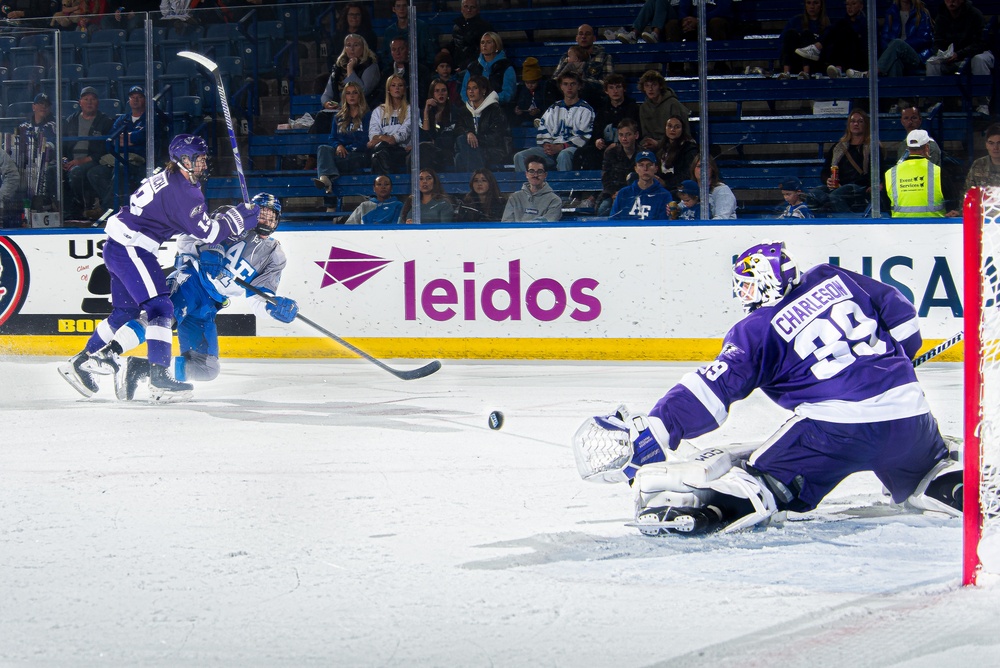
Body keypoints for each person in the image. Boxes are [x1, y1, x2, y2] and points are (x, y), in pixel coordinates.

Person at [572, 240, 962, 535]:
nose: (742, 293)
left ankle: (710, 510)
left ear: (762, 283)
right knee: (927, 468)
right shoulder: (835, 276)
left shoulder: (757, 329)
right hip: (911, 416)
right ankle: (948, 484)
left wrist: (658, 428)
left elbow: (710, 391)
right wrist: (898, 360)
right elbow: (901, 312)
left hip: (833, 432)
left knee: (762, 480)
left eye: (745, 284)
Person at [57, 134, 261, 401]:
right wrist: (238, 219)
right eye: (198, 159)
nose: (203, 164)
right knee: (161, 307)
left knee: (125, 312)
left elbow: (187, 221)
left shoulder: (174, 180)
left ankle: (81, 362)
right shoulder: (185, 192)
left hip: (119, 246)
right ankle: (159, 378)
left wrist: (232, 218)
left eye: (203, 159)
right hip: (132, 249)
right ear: (183, 160)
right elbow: (209, 234)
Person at [110, 193, 296, 400]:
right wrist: (209, 248)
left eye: (272, 217)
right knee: (160, 320)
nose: (266, 221)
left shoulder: (274, 255)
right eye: (262, 215)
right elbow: (186, 238)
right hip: (191, 280)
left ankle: (141, 367)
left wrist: (272, 306)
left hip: (210, 305)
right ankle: (109, 353)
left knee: (205, 368)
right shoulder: (231, 218)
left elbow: (259, 297)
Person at [89, 86, 168, 216]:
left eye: (139, 97)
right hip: (120, 158)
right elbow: (113, 139)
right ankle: (117, 205)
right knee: (94, 172)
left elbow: (142, 137)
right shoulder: (122, 119)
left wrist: (127, 139)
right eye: (132, 97)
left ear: (145, 100)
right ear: (128, 100)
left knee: (120, 170)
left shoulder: (151, 118)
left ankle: (108, 209)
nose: (135, 100)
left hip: (141, 162)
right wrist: (130, 138)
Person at [513, 71, 594, 173]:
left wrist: (561, 146)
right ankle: (527, 188)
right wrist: (547, 144)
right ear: (561, 87)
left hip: (573, 150)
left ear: (579, 86)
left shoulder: (586, 109)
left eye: (572, 84)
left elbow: (583, 136)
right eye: (565, 84)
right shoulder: (554, 108)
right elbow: (544, 128)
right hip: (551, 149)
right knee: (520, 156)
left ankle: (564, 188)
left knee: (564, 155)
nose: (569, 87)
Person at [807, 109, 882, 214]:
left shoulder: (872, 147)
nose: (856, 124)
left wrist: (873, 185)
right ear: (848, 124)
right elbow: (825, 171)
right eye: (852, 121)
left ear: (866, 124)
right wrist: (828, 180)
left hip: (858, 187)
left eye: (860, 121)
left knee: (836, 196)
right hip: (838, 186)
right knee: (814, 194)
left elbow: (879, 169)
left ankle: (848, 223)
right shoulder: (838, 147)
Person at [925, 0, 991, 117]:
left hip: (974, 54)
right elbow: (937, 42)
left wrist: (959, 54)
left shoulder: (975, 14)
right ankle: (934, 104)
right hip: (951, 58)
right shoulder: (941, 16)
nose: (952, 2)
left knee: (979, 60)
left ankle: (983, 104)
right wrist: (942, 54)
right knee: (931, 63)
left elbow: (981, 44)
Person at [313, 82, 371, 207]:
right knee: (322, 148)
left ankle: (327, 183)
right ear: (344, 96)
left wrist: (347, 148)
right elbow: (332, 138)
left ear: (360, 95)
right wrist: (338, 146)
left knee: (333, 161)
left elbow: (366, 139)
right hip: (340, 154)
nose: (352, 96)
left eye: (355, 93)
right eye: (348, 93)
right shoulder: (338, 116)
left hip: (358, 154)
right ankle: (325, 177)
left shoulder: (367, 115)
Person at [62, 86, 114, 221]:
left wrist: (80, 161)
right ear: (80, 102)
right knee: (51, 171)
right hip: (71, 160)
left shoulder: (105, 121)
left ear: (98, 102)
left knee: (76, 172)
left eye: (93, 99)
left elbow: (104, 150)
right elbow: (62, 145)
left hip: (92, 161)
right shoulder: (70, 120)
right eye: (86, 99)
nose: (89, 102)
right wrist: (63, 159)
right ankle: (62, 210)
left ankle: (81, 207)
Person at [574, 74, 640, 170]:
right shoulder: (601, 108)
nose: (615, 91)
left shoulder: (633, 108)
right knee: (580, 153)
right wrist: (597, 140)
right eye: (611, 88)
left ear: (624, 89)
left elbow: (637, 133)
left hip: (626, 147)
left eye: (618, 87)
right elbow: (596, 132)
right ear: (606, 91)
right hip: (604, 147)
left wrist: (618, 144)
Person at [453, 76, 512, 172]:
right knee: (460, 155)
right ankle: (477, 180)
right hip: (473, 149)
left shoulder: (495, 110)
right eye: (468, 88)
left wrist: (475, 138)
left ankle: (476, 181)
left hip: (495, 149)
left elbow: (496, 137)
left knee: (462, 155)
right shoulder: (464, 111)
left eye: (475, 88)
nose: (471, 91)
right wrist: (469, 133)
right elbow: (458, 129)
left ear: (483, 90)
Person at [549, 24, 614, 104]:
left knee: (584, 86)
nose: (583, 36)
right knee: (549, 84)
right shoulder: (567, 56)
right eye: (581, 34)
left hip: (592, 93)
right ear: (576, 38)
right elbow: (556, 78)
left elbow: (608, 82)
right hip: (568, 92)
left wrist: (582, 81)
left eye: (587, 34)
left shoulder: (604, 57)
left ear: (594, 38)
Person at [886, 129, 945, 217]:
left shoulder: (890, 173)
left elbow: (887, 203)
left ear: (907, 149)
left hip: (900, 226)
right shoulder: (938, 171)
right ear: (927, 148)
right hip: (934, 225)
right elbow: (951, 199)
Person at [872, 0, 934, 78]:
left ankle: (872, 73)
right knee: (895, 63)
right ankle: (894, 89)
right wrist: (895, 48)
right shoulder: (891, 13)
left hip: (916, 56)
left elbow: (924, 38)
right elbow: (884, 39)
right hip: (895, 54)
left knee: (897, 43)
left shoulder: (922, 13)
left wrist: (902, 45)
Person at [321, 34, 381, 114]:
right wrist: (326, 103)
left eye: (356, 45)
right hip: (338, 109)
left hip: (361, 110)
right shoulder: (339, 67)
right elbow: (327, 94)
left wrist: (350, 69)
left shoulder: (370, 66)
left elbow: (363, 92)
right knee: (321, 116)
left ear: (363, 48)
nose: (352, 49)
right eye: (348, 45)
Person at [368, 74, 413, 175]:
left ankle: (387, 183)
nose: (397, 88)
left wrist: (390, 139)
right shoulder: (378, 111)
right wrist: (386, 139)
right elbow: (373, 134)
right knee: (379, 152)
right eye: (393, 85)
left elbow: (405, 131)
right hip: (384, 149)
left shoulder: (411, 110)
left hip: (403, 150)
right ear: (388, 89)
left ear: (404, 89)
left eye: (400, 85)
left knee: (380, 151)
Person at [18, 93, 57, 210]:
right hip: (26, 164)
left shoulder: (53, 126)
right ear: (33, 107)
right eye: (40, 104)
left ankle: (45, 205)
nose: (43, 107)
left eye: (46, 105)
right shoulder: (23, 126)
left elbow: (50, 147)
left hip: (46, 164)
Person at [610, 150, 672, 221]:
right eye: (641, 165)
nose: (645, 169)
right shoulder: (624, 193)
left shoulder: (664, 195)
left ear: (656, 169)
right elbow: (613, 221)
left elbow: (663, 224)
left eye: (649, 165)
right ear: (636, 169)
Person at [460, 32, 516, 108]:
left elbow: (508, 93)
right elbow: (464, 90)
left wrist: (487, 101)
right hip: (474, 110)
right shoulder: (472, 67)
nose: (484, 45)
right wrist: (472, 103)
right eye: (482, 42)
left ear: (497, 46)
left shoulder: (506, 67)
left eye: (489, 42)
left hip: (499, 110)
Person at [637, 70, 690, 151]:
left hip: (673, 146)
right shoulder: (643, 107)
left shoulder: (673, 104)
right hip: (652, 146)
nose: (650, 89)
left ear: (660, 86)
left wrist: (659, 143)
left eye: (654, 85)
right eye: (647, 85)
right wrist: (648, 142)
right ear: (643, 88)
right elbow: (645, 133)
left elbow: (681, 135)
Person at [380, 0, 438, 72]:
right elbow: (385, 55)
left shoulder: (422, 27)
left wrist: (424, 69)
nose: (401, 9)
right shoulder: (389, 31)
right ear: (393, 9)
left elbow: (430, 53)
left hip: (419, 70)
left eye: (404, 5)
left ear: (410, 8)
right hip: (395, 72)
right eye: (398, 6)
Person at [597, 118, 640, 217]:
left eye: (628, 135)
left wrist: (626, 194)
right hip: (613, 193)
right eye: (621, 135)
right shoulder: (611, 152)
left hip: (637, 194)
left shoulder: (642, 154)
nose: (624, 139)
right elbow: (606, 178)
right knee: (603, 209)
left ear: (636, 135)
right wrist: (613, 193)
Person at [778, 0, 831, 79]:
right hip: (795, 61)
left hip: (815, 62)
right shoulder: (795, 21)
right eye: (808, 3)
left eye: (815, 3)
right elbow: (783, 43)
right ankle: (786, 73)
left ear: (821, 6)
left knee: (807, 34)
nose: (812, 6)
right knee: (790, 34)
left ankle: (806, 72)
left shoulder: (827, 24)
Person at [502, 158, 562, 222]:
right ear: (526, 174)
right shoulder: (514, 197)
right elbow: (506, 222)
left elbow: (549, 222)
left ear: (545, 175)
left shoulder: (554, 200)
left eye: (540, 172)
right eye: (531, 171)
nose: (535, 175)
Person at [377, 37, 431, 108]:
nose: (397, 53)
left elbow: (422, 95)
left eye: (401, 49)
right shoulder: (386, 72)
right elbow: (382, 95)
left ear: (408, 50)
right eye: (394, 49)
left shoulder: (420, 71)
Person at [418, 80, 457, 174]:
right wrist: (426, 112)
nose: (441, 93)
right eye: (437, 91)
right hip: (431, 152)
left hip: (448, 152)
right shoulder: (424, 113)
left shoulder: (455, 111)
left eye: (444, 90)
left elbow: (453, 136)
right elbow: (424, 137)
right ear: (432, 94)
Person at [823, 0, 869, 78]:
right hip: (846, 58)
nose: (849, 7)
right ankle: (838, 68)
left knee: (845, 31)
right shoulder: (842, 23)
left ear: (861, 6)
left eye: (853, 4)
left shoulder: (866, 23)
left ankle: (839, 68)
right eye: (847, 4)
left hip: (860, 59)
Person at [445, 0, 493, 74]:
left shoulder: (485, 27)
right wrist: (445, 49)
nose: (468, 10)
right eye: (466, 6)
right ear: (461, 9)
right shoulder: (457, 26)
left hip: (475, 66)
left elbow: (482, 52)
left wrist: (464, 66)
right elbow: (455, 42)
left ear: (477, 10)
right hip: (457, 65)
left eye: (472, 7)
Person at [655, 114, 698, 193]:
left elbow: (688, 173)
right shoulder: (660, 147)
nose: (672, 129)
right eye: (669, 126)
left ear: (682, 129)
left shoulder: (689, 148)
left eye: (677, 127)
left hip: (680, 190)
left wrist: (666, 183)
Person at [611, 0, 680, 45]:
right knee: (650, 1)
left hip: (676, 12)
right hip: (660, 10)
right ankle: (634, 34)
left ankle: (655, 34)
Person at [692, 154, 737, 219]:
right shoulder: (690, 189)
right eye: (699, 166)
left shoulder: (722, 190)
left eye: (706, 166)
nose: (702, 170)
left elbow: (722, 218)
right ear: (693, 169)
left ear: (712, 169)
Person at [963, 123, 1000, 192]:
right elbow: (968, 193)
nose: (995, 147)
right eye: (991, 143)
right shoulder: (979, 165)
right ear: (986, 145)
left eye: (999, 143)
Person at [512, 57, 547, 127]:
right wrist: (517, 110)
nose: (530, 85)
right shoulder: (522, 90)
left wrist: (539, 111)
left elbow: (548, 105)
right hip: (525, 118)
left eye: (533, 83)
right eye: (527, 83)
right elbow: (518, 104)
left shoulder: (545, 89)